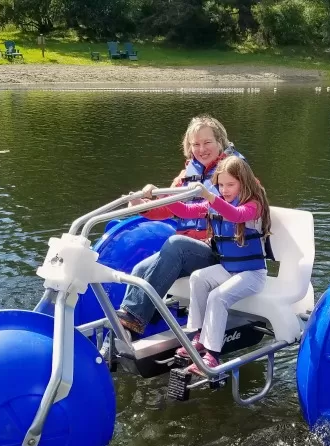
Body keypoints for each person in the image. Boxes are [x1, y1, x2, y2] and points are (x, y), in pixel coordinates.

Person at [114, 115, 244, 337]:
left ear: (220, 142)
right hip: (190, 252)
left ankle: (136, 317)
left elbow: (247, 202)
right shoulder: (187, 176)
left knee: (176, 245)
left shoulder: (234, 172)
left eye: (207, 142)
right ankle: (127, 336)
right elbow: (165, 209)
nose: (201, 149)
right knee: (139, 271)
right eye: (196, 144)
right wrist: (143, 204)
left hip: (221, 253)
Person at [156, 156, 271, 375]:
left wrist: (210, 196)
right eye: (220, 185)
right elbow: (186, 211)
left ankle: (212, 356)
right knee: (198, 277)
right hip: (229, 270)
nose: (224, 190)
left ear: (244, 183)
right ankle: (199, 336)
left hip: (252, 274)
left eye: (231, 185)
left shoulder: (254, 206)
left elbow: (236, 215)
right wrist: (162, 197)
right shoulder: (216, 201)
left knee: (217, 297)